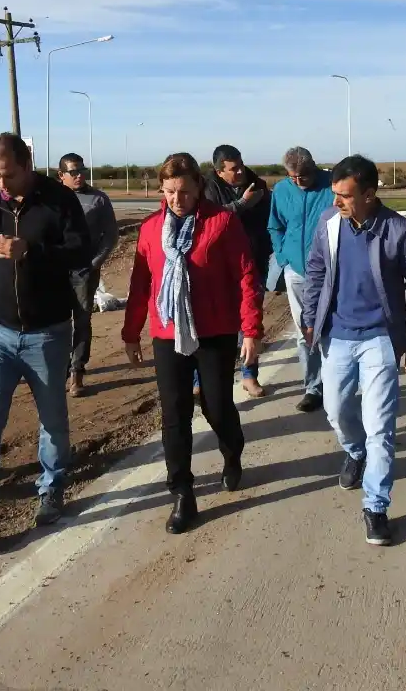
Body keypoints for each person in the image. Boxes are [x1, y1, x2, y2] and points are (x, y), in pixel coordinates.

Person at [0, 133, 92, 550]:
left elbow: (80, 251)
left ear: (27, 164)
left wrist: (31, 250)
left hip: (47, 331)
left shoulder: (58, 201)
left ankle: (50, 489)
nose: (1, 184)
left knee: (52, 417)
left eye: (8, 175)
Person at [123, 153, 263, 535]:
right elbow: (141, 283)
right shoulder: (151, 228)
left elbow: (247, 277)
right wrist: (131, 331)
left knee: (217, 407)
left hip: (214, 331)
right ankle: (182, 492)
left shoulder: (222, 222)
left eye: (183, 191)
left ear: (199, 188)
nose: (176, 199)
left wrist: (251, 330)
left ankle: (232, 452)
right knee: (175, 412)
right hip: (167, 332)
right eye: (169, 191)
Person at [301, 155, 406, 546]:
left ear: (370, 194)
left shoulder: (397, 230)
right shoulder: (329, 223)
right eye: (335, 194)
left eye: (345, 196)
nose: (337, 202)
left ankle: (376, 506)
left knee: (381, 428)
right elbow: (316, 270)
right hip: (337, 335)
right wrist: (311, 317)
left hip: (379, 339)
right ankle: (354, 451)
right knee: (336, 410)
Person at [267, 145, 335, 412]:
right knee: (304, 332)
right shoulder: (282, 190)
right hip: (295, 270)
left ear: (314, 167)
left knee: (331, 328)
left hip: (330, 269)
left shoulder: (332, 185)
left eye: (303, 176)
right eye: (292, 177)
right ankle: (313, 388)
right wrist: (283, 254)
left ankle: (338, 382)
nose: (297, 182)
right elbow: (275, 225)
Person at [202, 144, 272, 398]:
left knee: (250, 321)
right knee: (211, 321)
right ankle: (201, 379)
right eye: (233, 169)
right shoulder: (207, 189)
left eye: (241, 165)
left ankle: (249, 375)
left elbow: (270, 219)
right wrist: (242, 204)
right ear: (219, 172)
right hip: (218, 265)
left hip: (253, 260)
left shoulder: (258, 185)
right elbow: (210, 219)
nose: (240, 171)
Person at [57, 152, 118, 398]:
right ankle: (56, 370)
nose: (79, 175)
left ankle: (77, 372)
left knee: (82, 321)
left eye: (82, 170)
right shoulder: (51, 198)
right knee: (56, 322)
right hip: (56, 272)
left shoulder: (98, 200)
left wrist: (94, 264)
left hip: (85, 273)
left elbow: (111, 235)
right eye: (73, 172)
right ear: (61, 175)